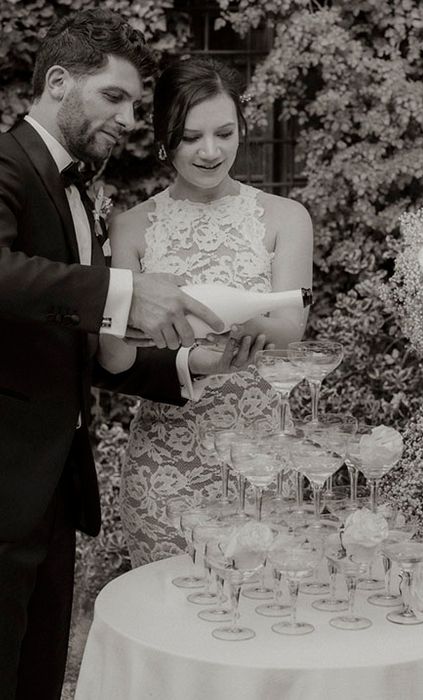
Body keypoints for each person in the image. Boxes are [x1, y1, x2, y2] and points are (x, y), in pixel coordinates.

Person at [0, 11, 265, 700]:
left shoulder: (78, 192)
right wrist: (124, 290)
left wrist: (189, 367)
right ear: (59, 83)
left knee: (34, 677)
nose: (127, 117)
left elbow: (80, 349)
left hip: (49, 491)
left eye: (135, 105)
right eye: (113, 97)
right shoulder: (6, 164)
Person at [97, 56, 313, 567]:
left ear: (242, 127)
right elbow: (114, 350)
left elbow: (288, 328)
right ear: (165, 140)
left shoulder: (287, 218)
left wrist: (191, 319)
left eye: (224, 132)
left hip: (263, 456)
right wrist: (206, 348)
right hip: (166, 457)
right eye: (192, 137)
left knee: (263, 613)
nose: (211, 151)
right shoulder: (129, 227)